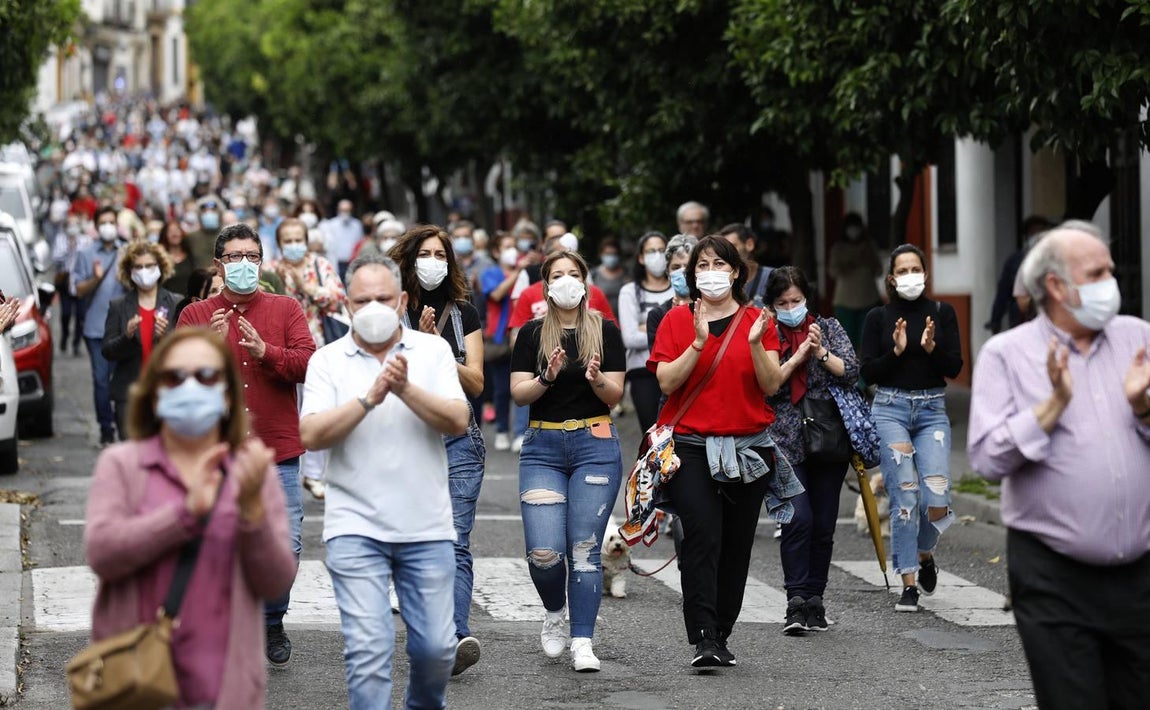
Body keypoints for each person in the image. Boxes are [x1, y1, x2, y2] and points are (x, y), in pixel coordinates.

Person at [968, 222, 1150, 710]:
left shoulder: (1138, 338)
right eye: (1097, 273)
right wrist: (1052, 407)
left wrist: (1143, 408)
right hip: (1054, 576)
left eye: (1111, 270)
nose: (1112, 282)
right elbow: (985, 459)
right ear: (1056, 285)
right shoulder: (1007, 354)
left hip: (1140, 574)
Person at [84, 328, 296, 709]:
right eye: (175, 377)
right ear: (155, 390)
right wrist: (184, 515)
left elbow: (276, 581)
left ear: (228, 393)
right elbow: (103, 554)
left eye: (207, 376)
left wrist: (252, 517)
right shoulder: (123, 465)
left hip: (225, 689)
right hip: (136, 682)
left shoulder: (251, 470)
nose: (191, 387)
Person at [299, 252, 469, 709]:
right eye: (362, 300)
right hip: (354, 528)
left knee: (436, 650)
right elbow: (310, 434)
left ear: (403, 301)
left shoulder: (431, 351)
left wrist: (405, 389)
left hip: (426, 528)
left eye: (383, 298)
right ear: (347, 305)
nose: (373, 307)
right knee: (369, 652)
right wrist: (368, 399)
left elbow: (458, 419)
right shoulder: (327, 360)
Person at [648, 235, 795, 668]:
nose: (710, 272)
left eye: (719, 264)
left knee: (735, 544)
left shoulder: (757, 320)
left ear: (735, 272)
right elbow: (666, 382)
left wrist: (755, 343)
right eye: (702, 265)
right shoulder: (676, 319)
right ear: (693, 274)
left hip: (749, 448)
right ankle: (704, 636)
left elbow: (771, 384)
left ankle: (722, 631)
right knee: (702, 534)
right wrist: (697, 343)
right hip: (691, 446)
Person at [176, 222, 315, 666]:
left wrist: (266, 353)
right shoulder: (195, 316)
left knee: (286, 546)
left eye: (251, 257)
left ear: (262, 262)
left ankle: (271, 618)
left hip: (277, 450)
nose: (243, 265)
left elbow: (310, 363)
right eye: (234, 257)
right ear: (219, 265)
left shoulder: (285, 308)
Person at [510, 250, 626, 673]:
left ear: (585, 281)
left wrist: (597, 379)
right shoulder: (532, 333)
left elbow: (616, 395)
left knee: (585, 549)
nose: (565, 281)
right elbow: (519, 394)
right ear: (545, 285)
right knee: (544, 552)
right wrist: (547, 377)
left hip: (596, 445)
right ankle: (555, 611)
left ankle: (582, 640)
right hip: (542, 447)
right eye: (557, 275)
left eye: (572, 273)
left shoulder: (605, 330)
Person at [390, 225, 487, 675]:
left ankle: (453, 636)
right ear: (409, 261)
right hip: (407, 438)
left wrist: (441, 348)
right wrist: (419, 344)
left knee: (455, 542)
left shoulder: (464, 312)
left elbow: (477, 383)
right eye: (425, 254)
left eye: (440, 255)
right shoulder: (389, 311)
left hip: (459, 438)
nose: (434, 261)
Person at [859, 244, 963, 612]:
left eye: (915, 269)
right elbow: (867, 372)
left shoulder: (942, 312)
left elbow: (955, 367)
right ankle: (908, 582)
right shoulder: (878, 317)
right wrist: (897, 352)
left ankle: (923, 553)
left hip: (932, 410)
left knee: (937, 496)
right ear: (891, 278)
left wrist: (931, 348)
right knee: (904, 495)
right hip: (891, 409)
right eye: (902, 271)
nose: (909, 276)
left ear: (926, 273)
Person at [764, 267, 859, 634]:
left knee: (823, 524)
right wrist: (795, 356)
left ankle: (815, 600)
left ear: (807, 299)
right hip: (784, 436)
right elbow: (765, 384)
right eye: (783, 302)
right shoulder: (766, 333)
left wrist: (819, 352)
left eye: (796, 301)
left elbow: (851, 371)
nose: (791, 308)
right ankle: (795, 600)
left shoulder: (829, 328)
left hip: (827, 436)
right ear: (772, 305)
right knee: (797, 518)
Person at [272, 217, 348, 501]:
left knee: (319, 407)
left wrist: (307, 287)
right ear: (279, 244)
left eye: (298, 240)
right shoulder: (271, 270)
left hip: (319, 347)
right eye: (287, 241)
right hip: (282, 350)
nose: (293, 245)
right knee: (289, 409)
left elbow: (338, 298)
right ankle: (293, 472)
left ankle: (314, 474)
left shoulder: (320, 265)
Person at [102, 241, 182, 441]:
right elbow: (108, 351)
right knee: (131, 450)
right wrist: (127, 337)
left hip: (166, 391)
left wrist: (165, 336)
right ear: (129, 272)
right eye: (138, 267)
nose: (144, 271)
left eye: (149, 265)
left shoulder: (175, 302)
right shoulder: (119, 306)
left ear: (160, 267)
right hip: (129, 393)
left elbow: (184, 350)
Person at [72, 206, 128, 446]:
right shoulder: (86, 254)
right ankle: (106, 428)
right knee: (102, 380)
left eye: (111, 222)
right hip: (96, 328)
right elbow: (77, 290)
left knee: (122, 380)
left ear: (117, 225)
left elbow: (139, 287)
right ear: (96, 227)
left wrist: (126, 277)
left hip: (124, 329)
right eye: (103, 222)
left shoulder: (126, 251)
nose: (108, 227)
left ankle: (123, 423)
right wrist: (95, 278)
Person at [619, 231, 671, 433]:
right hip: (642, 372)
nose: (657, 255)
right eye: (651, 251)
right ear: (640, 258)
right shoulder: (630, 291)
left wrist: (647, 326)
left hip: (677, 369)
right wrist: (669, 329)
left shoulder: (679, 287)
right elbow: (630, 338)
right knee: (652, 436)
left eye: (661, 250)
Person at [481, 234, 523, 451]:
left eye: (514, 246)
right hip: (499, 338)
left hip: (521, 334)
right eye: (507, 247)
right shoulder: (490, 274)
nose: (512, 250)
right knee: (501, 389)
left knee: (522, 385)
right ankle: (501, 429)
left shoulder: (526, 273)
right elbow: (496, 295)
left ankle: (521, 433)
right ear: (496, 252)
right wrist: (517, 273)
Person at [828, 213, 883, 349]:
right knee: (845, 342)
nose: (854, 230)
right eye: (851, 227)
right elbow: (833, 272)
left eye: (856, 227)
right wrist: (848, 265)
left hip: (868, 299)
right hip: (844, 302)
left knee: (868, 340)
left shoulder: (869, 246)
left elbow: (879, 270)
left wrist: (867, 260)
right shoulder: (838, 248)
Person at [646, 234, 698, 351]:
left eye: (688, 266)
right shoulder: (657, 315)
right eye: (676, 267)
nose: (683, 271)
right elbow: (659, 359)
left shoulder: (711, 309)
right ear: (668, 274)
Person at [718, 223, 771, 308]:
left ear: (749, 244)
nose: (727, 253)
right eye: (724, 249)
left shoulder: (773, 276)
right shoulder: (720, 280)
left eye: (732, 246)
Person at [157, 219, 197, 296]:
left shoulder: (191, 256)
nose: (174, 234)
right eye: (170, 231)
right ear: (165, 235)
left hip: (189, 300)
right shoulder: (161, 259)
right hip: (168, 300)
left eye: (177, 230)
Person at [592, 238, 629, 317]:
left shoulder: (627, 274)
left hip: (623, 318)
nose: (611, 257)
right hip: (601, 319)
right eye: (608, 254)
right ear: (601, 254)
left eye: (614, 254)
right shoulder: (594, 274)